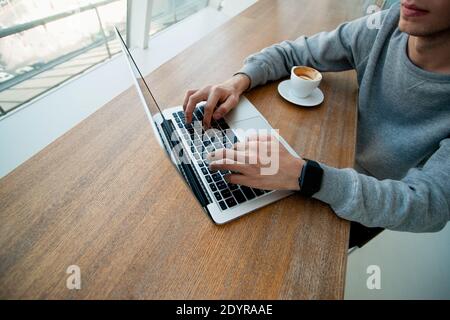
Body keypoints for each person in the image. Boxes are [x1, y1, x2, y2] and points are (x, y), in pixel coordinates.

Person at [182, 1, 450, 233]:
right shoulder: (386, 24)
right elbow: (294, 53)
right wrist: (239, 81)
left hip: (366, 202)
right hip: (320, 160)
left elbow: (427, 207)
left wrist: (306, 175)